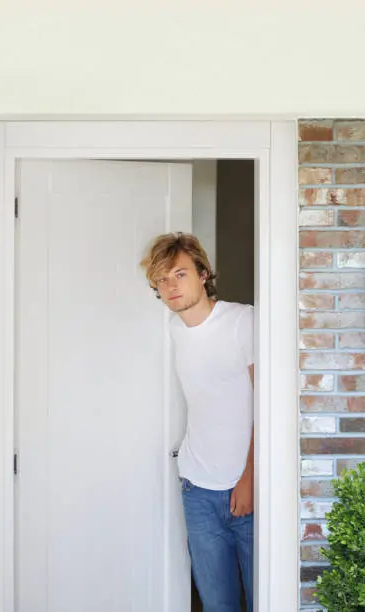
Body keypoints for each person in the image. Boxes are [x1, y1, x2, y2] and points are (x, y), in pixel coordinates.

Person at [141, 232, 254, 612]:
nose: (171, 286)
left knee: (265, 599)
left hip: (247, 489)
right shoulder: (173, 330)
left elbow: (267, 406)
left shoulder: (243, 321)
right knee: (218, 605)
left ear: (203, 273)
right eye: (162, 279)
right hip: (199, 491)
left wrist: (250, 478)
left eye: (180, 274)